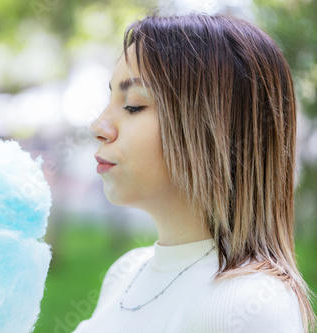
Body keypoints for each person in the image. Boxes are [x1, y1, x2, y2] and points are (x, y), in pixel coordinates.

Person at [75, 13, 316, 333]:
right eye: (110, 99)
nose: (98, 126)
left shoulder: (248, 306)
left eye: (133, 105)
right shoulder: (126, 272)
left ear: (216, 130)